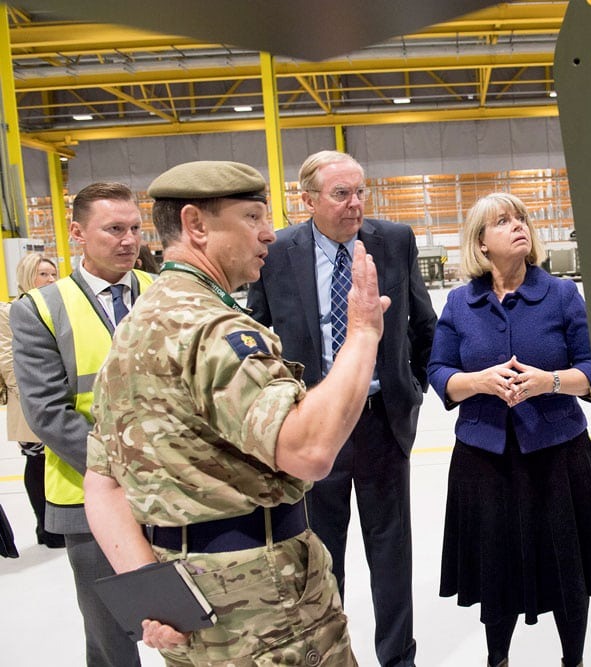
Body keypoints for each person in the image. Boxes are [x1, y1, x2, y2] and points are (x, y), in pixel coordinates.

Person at [83, 160, 388, 666]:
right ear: (195, 225)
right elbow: (308, 451)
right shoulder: (215, 331)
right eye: (250, 217)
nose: (268, 233)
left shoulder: (136, 327)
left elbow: (103, 481)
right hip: (267, 614)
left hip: (187, 606)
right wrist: (362, 333)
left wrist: (153, 594)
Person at [247, 150, 437, 667]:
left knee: (391, 553)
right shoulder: (278, 251)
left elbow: (423, 324)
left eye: (360, 192)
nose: (355, 204)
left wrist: (411, 386)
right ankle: (328, 654)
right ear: (306, 200)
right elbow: (259, 334)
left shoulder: (392, 240)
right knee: (318, 556)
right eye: (340, 194)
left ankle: (398, 658)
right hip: (311, 423)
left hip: (380, 422)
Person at [427, 193, 591, 667]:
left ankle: (572, 660)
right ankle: (498, 659)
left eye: (521, 219)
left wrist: (547, 382)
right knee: (496, 569)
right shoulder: (460, 301)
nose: (518, 226)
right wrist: (476, 382)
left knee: (567, 567)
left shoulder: (561, 294)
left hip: (557, 456)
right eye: (503, 222)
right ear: (481, 242)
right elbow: (438, 370)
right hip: (484, 459)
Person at [10, 182, 152, 667]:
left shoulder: (163, 292)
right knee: (112, 637)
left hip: (173, 491)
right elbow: (47, 412)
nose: (129, 239)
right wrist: (124, 467)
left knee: (193, 625)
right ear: (77, 232)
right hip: (87, 495)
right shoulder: (40, 309)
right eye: (114, 229)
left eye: (135, 228)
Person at [0, 252, 63, 548]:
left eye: (53, 274)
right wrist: (32, 393)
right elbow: (6, 358)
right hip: (29, 401)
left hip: (60, 396)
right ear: (27, 277)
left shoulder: (59, 307)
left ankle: (59, 523)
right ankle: (45, 528)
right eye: (43, 274)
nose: (50, 280)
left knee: (59, 459)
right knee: (37, 462)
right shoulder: (9, 312)